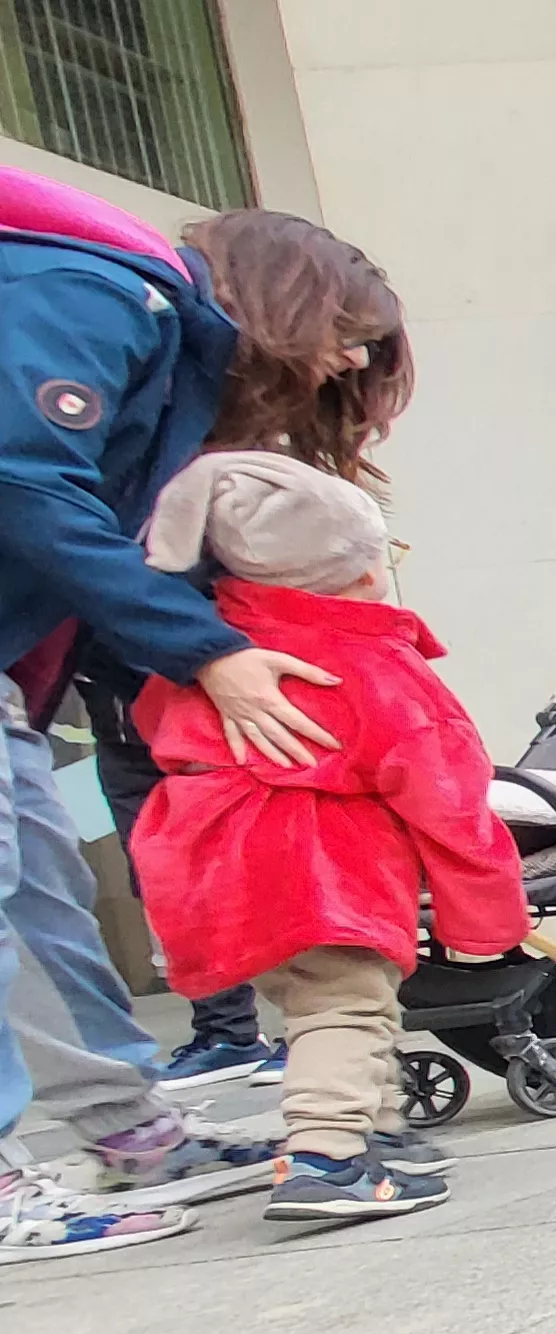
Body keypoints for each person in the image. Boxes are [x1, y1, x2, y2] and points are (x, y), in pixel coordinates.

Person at [0, 184, 402, 1256]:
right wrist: (207, 652)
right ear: (286, 299)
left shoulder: (158, 347)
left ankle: (126, 1131)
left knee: (41, 896)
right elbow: (28, 483)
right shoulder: (98, 297)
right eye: (350, 335)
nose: (350, 364)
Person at [126, 452, 520, 1220]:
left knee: (326, 999)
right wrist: (486, 901)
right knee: (343, 1004)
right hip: (321, 864)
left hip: (210, 856)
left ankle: (380, 1130)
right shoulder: (369, 656)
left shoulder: (219, 653)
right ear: (367, 571)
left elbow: (153, 723)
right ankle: (327, 1155)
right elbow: (443, 785)